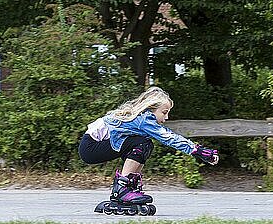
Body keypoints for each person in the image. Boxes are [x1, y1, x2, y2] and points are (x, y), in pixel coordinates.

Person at [78, 87, 219, 205]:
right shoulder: (144, 119)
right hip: (91, 147)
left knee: (145, 144)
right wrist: (197, 150)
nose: (167, 117)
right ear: (151, 109)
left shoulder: (140, 117)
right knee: (142, 143)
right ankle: (122, 189)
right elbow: (169, 138)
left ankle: (129, 187)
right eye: (164, 112)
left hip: (92, 145)